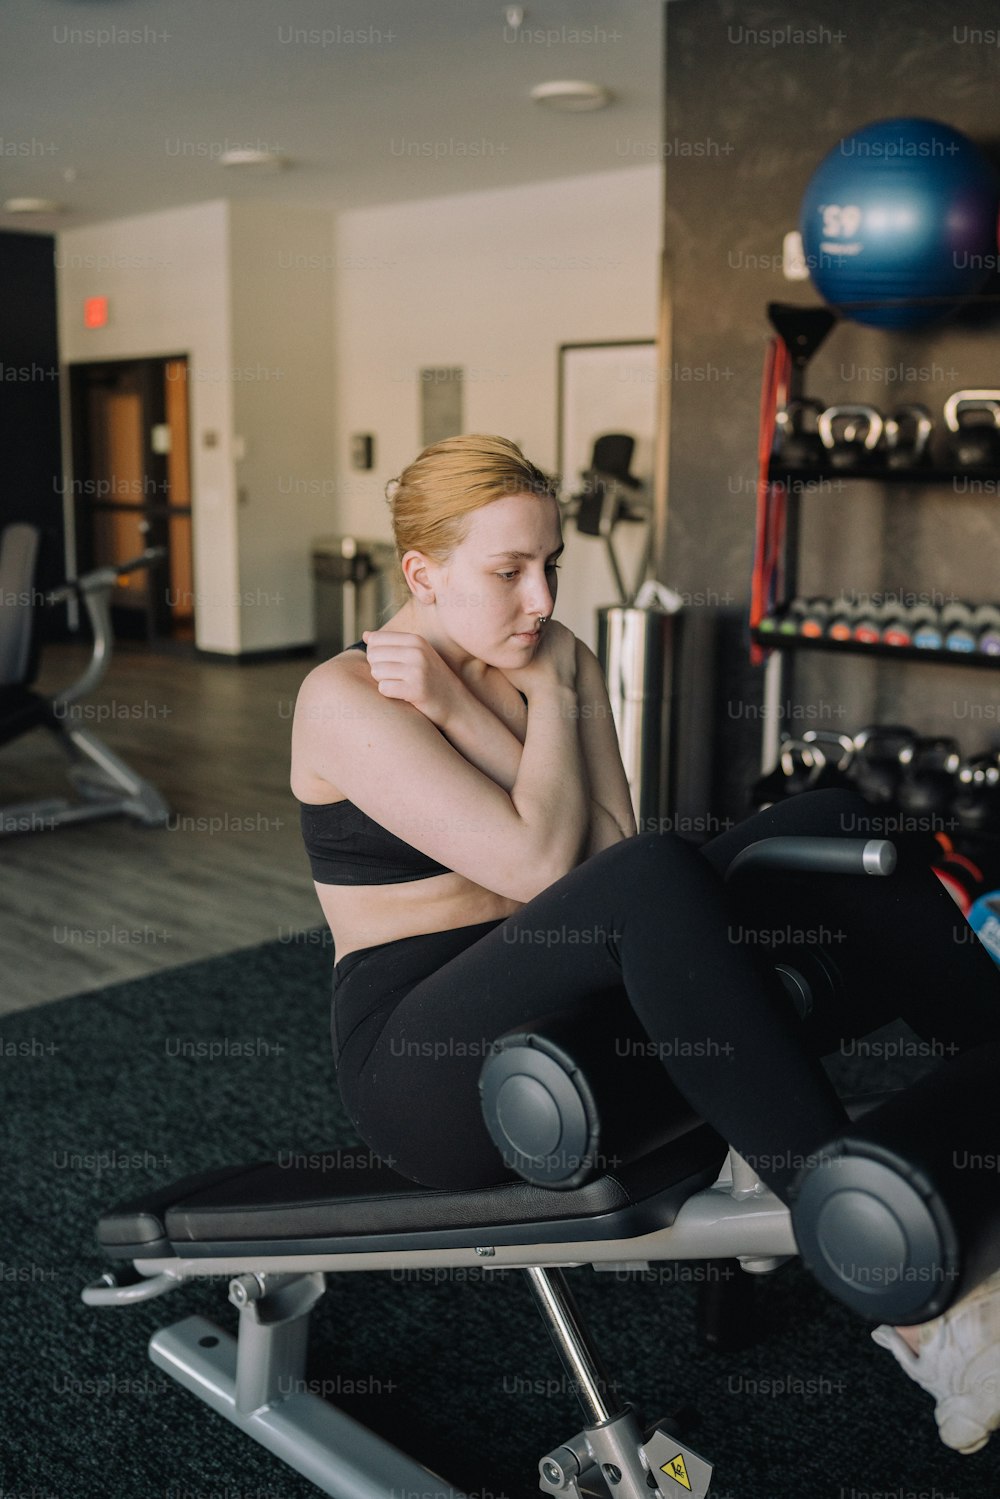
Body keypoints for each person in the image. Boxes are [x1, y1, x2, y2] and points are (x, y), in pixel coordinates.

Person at [290, 432, 1000, 1456]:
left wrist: (501, 701)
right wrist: (497, 706)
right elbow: (551, 866)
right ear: (421, 573)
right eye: (506, 572)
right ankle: (905, 1305)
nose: (539, 597)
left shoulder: (550, 657)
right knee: (656, 873)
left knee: (826, 815)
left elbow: (615, 849)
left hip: (570, 983)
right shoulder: (346, 698)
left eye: (551, 567)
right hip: (426, 1058)